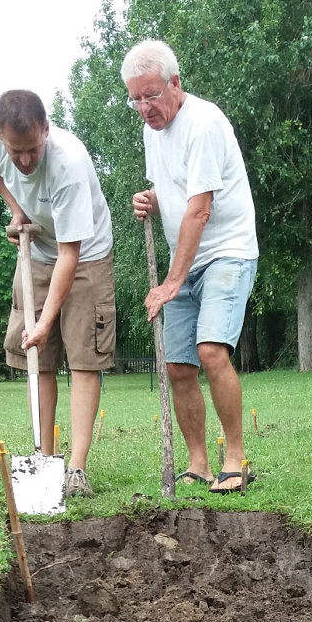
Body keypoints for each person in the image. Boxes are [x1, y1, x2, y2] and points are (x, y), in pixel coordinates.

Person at [121, 40, 259, 494]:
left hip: (227, 251)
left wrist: (170, 283)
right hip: (187, 259)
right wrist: (152, 199)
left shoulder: (203, 123)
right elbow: (177, 190)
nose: (144, 107)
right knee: (179, 365)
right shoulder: (150, 131)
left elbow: (199, 209)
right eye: (135, 98)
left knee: (211, 351)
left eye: (151, 95)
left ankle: (235, 458)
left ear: (175, 84)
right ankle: (198, 462)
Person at [0, 89, 115, 499]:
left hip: (85, 253)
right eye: (16, 150)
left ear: (46, 130)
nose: (24, 160)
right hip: (37, 251)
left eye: (33, 149)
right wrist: (16, 211)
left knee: (83, 359)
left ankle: (76, 468)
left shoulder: (68, 163)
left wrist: (43, 322)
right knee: (39, 362)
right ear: (1, 135)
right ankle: (45, 461)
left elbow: (70, 255)